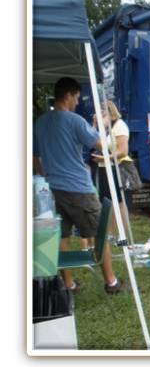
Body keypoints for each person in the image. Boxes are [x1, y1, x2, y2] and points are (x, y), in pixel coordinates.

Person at [33, 77, 124, 294]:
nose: (77, 101)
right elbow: (99, 143)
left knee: (61, 235)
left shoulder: (41, 122)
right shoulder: (74, 120)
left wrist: (44, 175)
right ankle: (111, 282)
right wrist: (102, 124)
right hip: (78, 188)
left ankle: (68, 284)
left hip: (52, 189)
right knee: (99, 234)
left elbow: (34, 155)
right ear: (68, 95)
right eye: (76, 97)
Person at [90, 100, 133, 247]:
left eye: (101, 113)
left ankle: (124, 235)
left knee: (119, 203)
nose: (98, 115)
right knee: (107, 203)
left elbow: (123, 151)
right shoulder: (105, 127)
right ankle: (114, 235)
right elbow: (93, 141)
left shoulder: (120, 126)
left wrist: (104, 157)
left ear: (108, 112)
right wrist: (95, 125)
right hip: (103, 168)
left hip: (115, 167)